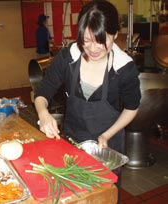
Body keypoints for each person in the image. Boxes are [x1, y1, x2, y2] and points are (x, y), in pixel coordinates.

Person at [34, 1, 141, 203]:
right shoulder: (68, 57)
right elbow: (43, 92)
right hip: (74, 141)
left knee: (104, 197)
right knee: (76, 196)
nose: (93, 48)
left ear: (115, 34)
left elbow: (132, 107)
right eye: (86, 40)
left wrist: (106, 135)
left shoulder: (124, 68)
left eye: (101, 40)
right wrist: (43, 113)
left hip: (108, 148)